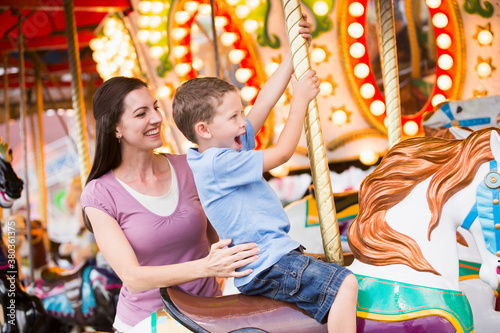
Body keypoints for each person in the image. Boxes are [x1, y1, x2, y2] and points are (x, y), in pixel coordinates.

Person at [172, 20, 358, 333]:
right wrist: (300, 99)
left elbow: (263, 103)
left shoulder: (223, 148)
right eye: (234, 117)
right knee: (344, 285)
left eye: (239, 113)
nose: (243, 122)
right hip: (269, 264)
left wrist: (294, 54)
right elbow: (283, 152)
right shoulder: (218, 164)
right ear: (204, 130)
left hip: (273, 257)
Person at [80, 76, 260, 332]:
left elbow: (244, 130)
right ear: (115, 128)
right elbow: (133, 278)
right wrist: (207, 267)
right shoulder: (100, 194)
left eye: (155, 107)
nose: (156, 118)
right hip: (150, 320)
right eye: (141, 113)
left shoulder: (189, 167)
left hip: (209, 310)